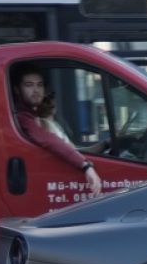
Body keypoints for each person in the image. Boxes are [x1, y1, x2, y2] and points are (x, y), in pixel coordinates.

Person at [11, 63, 102, 197]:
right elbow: (48, 140)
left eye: (40, 85)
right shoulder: (22, 117)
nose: (36, 90)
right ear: (17, 89)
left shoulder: (33, 115)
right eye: (29, 85)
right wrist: (86, 166)